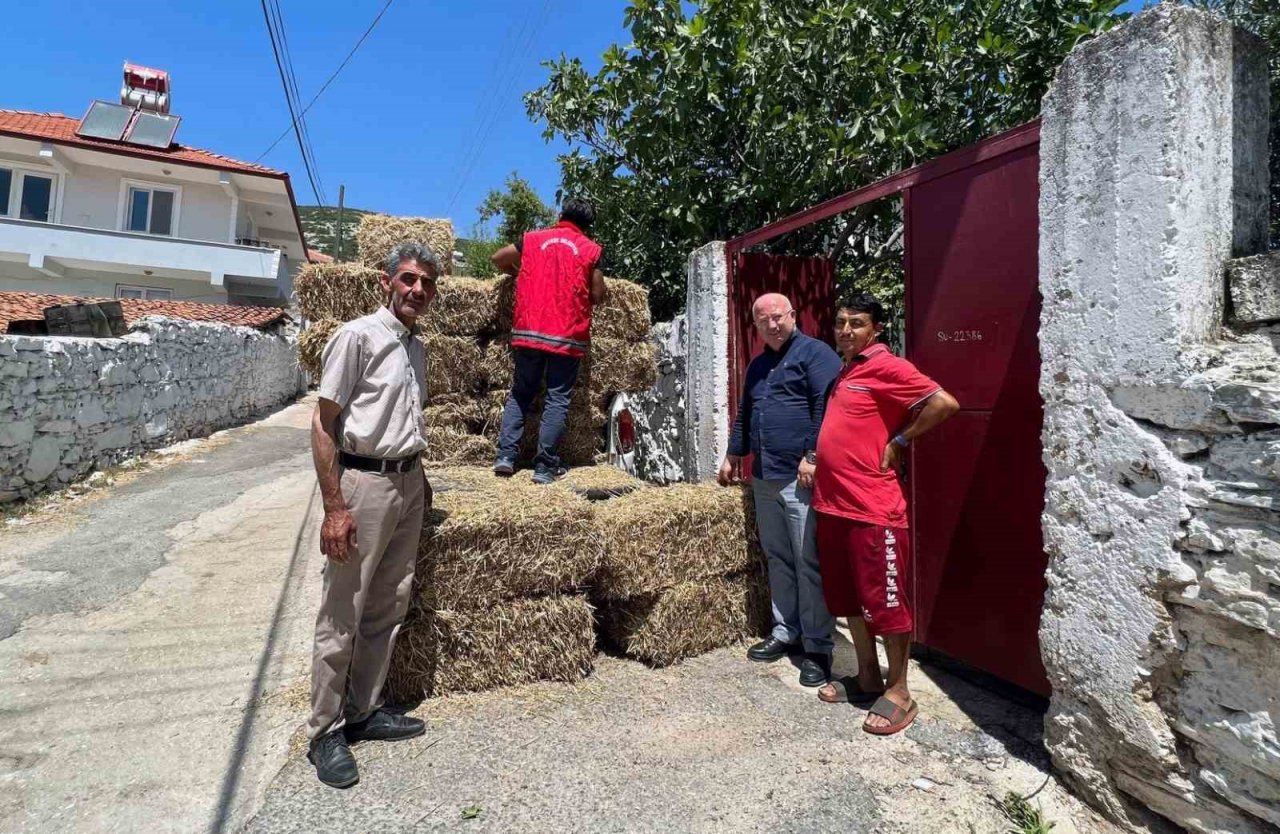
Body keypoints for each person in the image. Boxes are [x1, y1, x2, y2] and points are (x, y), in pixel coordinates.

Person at [305, 241, 440, 788]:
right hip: (363, 483)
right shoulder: (358, 336)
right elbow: (323, 422)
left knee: (389, 601)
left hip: (406, 481)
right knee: (344, 609)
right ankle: (324, 730)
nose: (418, 290)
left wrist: (420, 484)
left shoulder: (418, 350)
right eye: (409, 279)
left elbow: (407, 420)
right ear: (388, 282)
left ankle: (362, 711)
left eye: (428, 283)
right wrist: (335, 505)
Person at [811, 291, 959, 735]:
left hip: (873, 507)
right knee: (845, 597)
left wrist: (900, 442)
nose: (845, 331)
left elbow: (944, 403)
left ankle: (899, 691)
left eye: (856, 323)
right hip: (832, 505)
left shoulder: (887, 366)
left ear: (876, 329)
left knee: (886, 603)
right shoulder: (847, 369)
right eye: (840, 323)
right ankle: (866, 676)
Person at [718, 293, 843, 687]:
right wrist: (733, 454)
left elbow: (829, 405)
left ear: (792, 316)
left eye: (778, 317)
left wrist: (812, 454)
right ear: (755, 325)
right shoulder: (757, 366)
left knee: (808, 560)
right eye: (763, 320)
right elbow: (747, 413)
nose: (772, 325)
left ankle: (818, 647)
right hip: (765, 476)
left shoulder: (815, 354)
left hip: (799, 476)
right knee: (778, 556)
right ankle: (785, 631)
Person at [489, 197, 607, 484]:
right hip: (567, 335)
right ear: (588, 225)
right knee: (557, 399)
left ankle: (506, 456)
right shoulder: (591, 249)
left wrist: (521, 274)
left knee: (521, 392)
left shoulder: (532, 239)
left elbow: (498, 258)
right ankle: (544, 467)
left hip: (529, 328)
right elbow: (598, 295)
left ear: (560, 213)